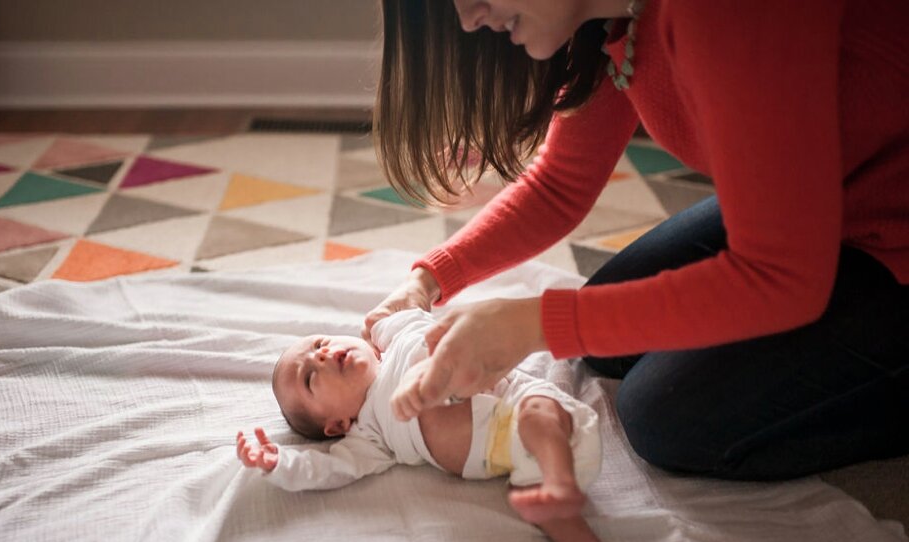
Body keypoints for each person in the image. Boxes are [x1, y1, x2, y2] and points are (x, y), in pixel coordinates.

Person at [364, 0, 909, 481]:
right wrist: (431, 278)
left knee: (669, 418)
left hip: (888, 231)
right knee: (612, 345)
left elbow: (782, 277)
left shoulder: (722, 13)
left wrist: (532, 324)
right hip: (831, 200)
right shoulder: (611, 19)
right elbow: (560, 184)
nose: (467, 17)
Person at [238, 308, 629, 542]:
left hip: (522, 402)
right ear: (338, 425)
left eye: (320, 344)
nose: (321, 356)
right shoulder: (368, 436)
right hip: (513, 455)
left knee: (534, 415)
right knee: (548, 514)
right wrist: (278, 463)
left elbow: (422, 317)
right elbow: (326, 468)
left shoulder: (398, 340)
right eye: (310, 377)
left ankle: (559, 478)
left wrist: (386, 318)